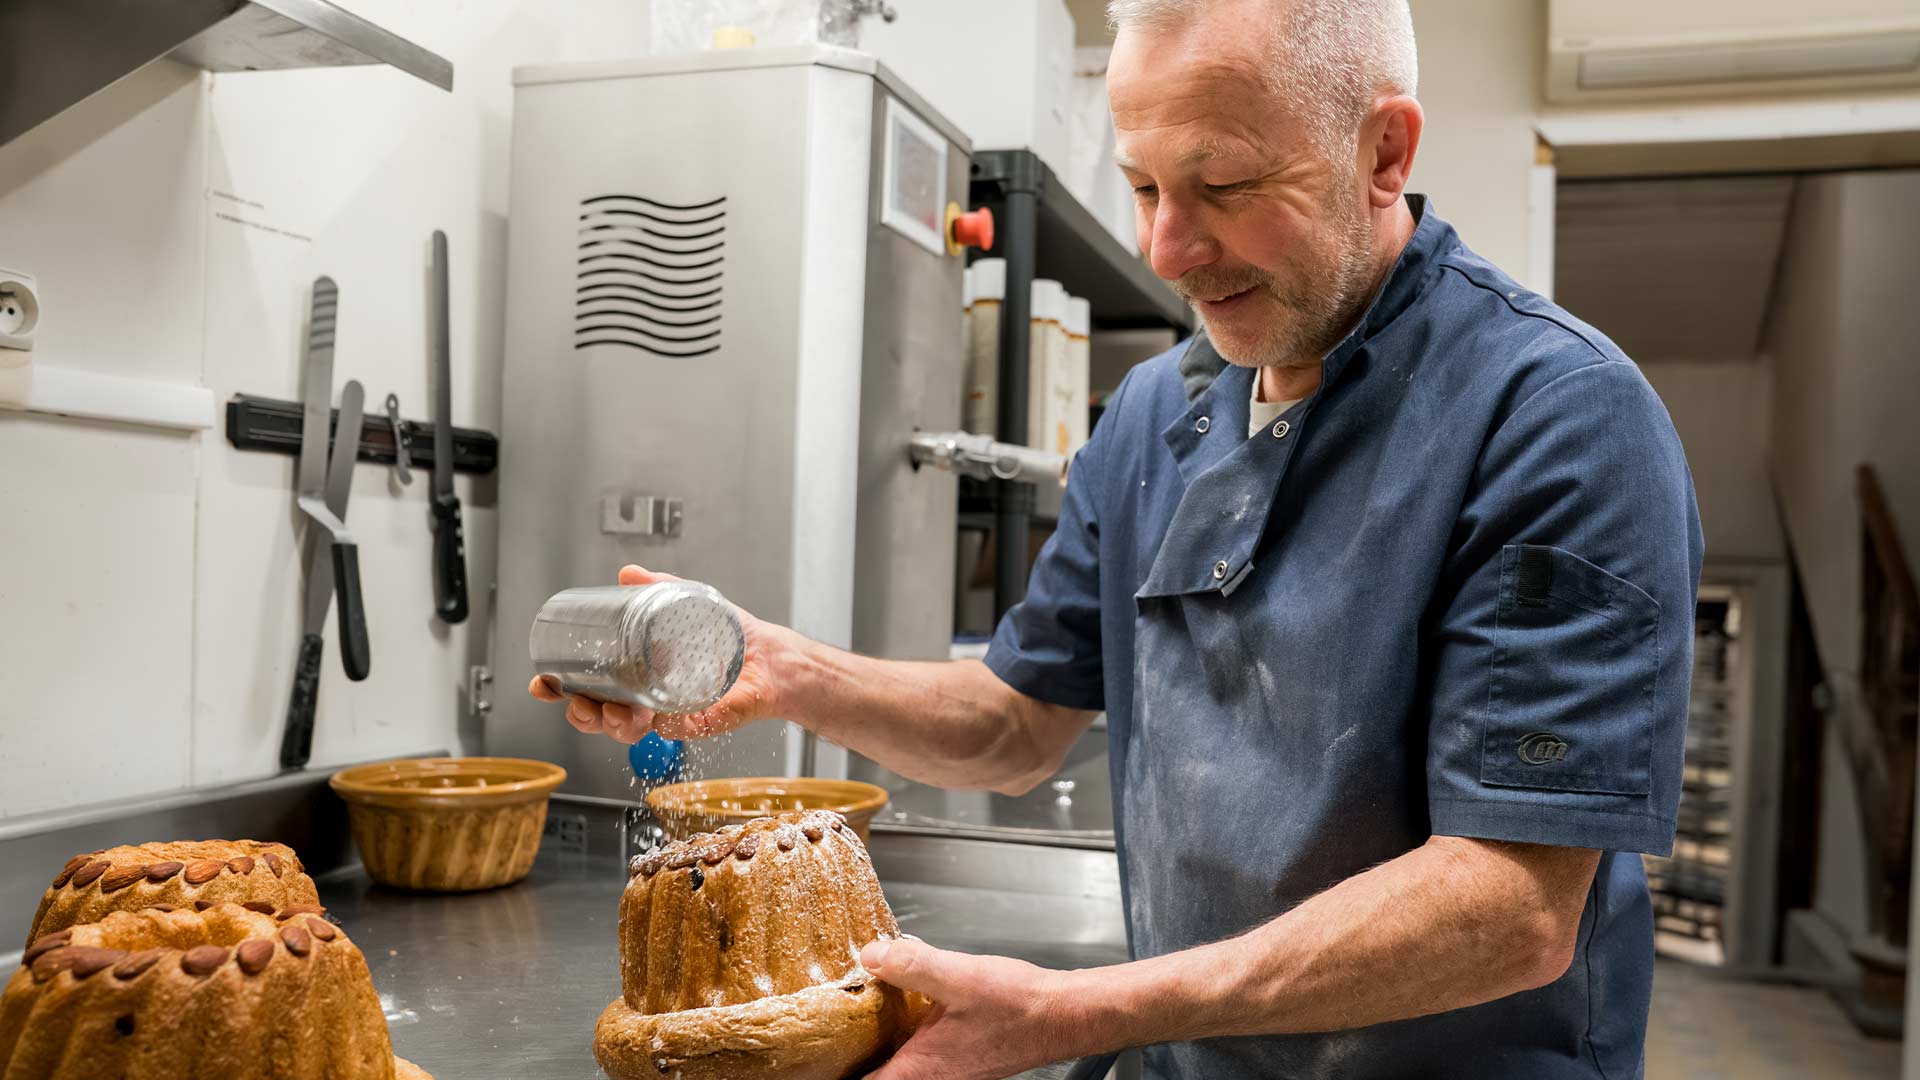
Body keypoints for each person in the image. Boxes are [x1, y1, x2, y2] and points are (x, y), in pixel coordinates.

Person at [533, 0, 1704, 1075]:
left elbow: (1513, 905)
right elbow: (1016, 723)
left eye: (1224, 184)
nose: (1165, 248)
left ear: (1383, 153)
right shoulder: (1157, 412)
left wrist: (1092, 1007)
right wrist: (782, 669)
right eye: (1144, 186)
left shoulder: (1557, 417)